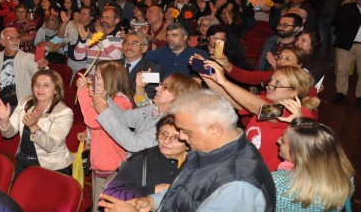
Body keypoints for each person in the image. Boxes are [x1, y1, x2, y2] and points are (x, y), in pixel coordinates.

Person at [99, 90, 276, 212]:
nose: (182, 137)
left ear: (215, 130)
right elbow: (187, 191)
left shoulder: (237, 186)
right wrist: (150, 201)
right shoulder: (211, 151)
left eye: (187, 131)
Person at [201, 62, 319, 171]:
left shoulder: (295, 111)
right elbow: (231, 98)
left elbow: (262, 109)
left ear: (294, 92)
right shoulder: (264, 100)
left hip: (268, 174)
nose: (269, 85)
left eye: (278, 83)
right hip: (247, 166)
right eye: (271, 80)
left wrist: (225, 82)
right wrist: (207, 76)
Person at [77, 61, 135, 211]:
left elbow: (92, 119)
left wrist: (83, 92)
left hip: (111, 164)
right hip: (101, 161)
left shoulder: (120, 102)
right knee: (97, 203)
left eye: (97, 77)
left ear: (110, 80)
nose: (93, 81)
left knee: (103, 206)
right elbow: (96, 125)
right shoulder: (109, 99)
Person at [94, 72, 201, 153]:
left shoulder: (171, 124)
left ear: (179, 97)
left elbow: (134, 144)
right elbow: (123, 118)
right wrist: (106, 99)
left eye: (164, 87)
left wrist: (105, 112)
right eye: (160, 85)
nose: (157, 88)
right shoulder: (154, 109)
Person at [0, 70, 74, 175]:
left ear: (56, 89)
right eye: (37, 84)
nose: (40, 89)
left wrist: (34, 126)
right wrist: (4, 119)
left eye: (46, 85)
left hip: (51, 167)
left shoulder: (63, 112)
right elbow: (8, 134)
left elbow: (52, 146)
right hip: (23, 161)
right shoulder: (24, 102)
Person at [273, 118, 355, 211]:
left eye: (283, 141)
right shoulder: (346, 177)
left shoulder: (277, 183)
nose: (278, 141)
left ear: (297, 154)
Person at [103, 115, 187, 200]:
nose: (166, 141)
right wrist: (151, 190)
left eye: (176, 138)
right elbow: (110, 194)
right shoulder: (142, 159)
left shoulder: (194, 162)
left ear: (189, 142)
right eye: (163, 134)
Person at [0, 28, 48, 109]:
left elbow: (46, 78)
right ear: (2, 42)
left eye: (17, 37)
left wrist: (41, 68)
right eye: (10, 38)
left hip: (21, 106)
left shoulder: (29, 58)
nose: (15, 40)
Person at [144, 23, 209, 77]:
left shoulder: (198, 55)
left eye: (174, 35)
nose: (170, 39)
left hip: (189, 91)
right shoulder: (160, 52)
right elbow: (141, 61)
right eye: (167, 35)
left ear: (185, 37)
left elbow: (205, 78)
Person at [332, 0, 361, 105]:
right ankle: (340, 93)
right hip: (345, 44)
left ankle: (360, 96)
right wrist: (347, 2)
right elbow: (335, 22)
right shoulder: (347, 8)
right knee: (341, 71)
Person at [119, 31, 163, 102]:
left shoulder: (152, 69)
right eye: (126, 43)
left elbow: (148, 96)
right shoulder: (113, 65)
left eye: (134, 43)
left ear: (144, 49)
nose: (129, 47)